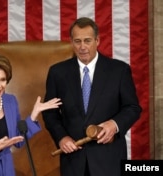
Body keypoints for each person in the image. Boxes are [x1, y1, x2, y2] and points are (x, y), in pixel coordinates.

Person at [42, 17, 142, 176]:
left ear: (97, 40)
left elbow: (132, 108)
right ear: (71, 42)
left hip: (109, 160)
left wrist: (114, 125)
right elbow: (49, 112)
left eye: (87, 41)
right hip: (74, 160)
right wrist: (61, 137)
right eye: (77, 41)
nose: (82, 47)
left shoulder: (119, 70)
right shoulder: (58, 72)